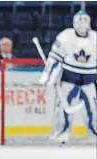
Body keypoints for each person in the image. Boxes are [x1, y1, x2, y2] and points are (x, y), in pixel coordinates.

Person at [39, 10, 97, 144]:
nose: (82, 25)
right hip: (69, 79)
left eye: (85, 21)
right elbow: (54, 58)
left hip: (89, 81)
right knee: (63, 109)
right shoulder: (65, 36)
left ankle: (94, 134)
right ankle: (61, 133)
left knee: (93, 110)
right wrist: (47, 75)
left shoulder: (95, 38)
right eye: (79, 21)